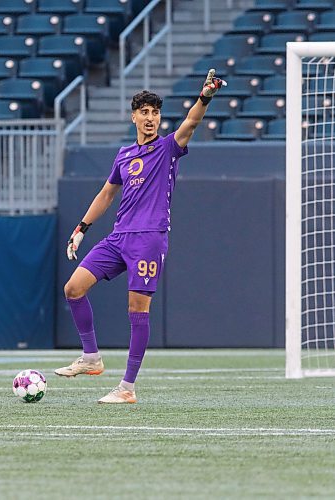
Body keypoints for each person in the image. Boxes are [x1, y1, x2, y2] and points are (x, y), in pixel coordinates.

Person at [55, 69, 225, 403]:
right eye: (144, 112)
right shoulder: (124, 155)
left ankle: (127, 388)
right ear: (133, 116)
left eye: (155, 112)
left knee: (137, 308)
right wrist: (81, 229)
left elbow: (191, 123)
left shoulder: (167, 148)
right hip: (119, 237)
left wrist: (204, 97)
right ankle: (91, 358)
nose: (150, 118)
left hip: (149, 238)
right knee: (73, 288)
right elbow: (106, 195)